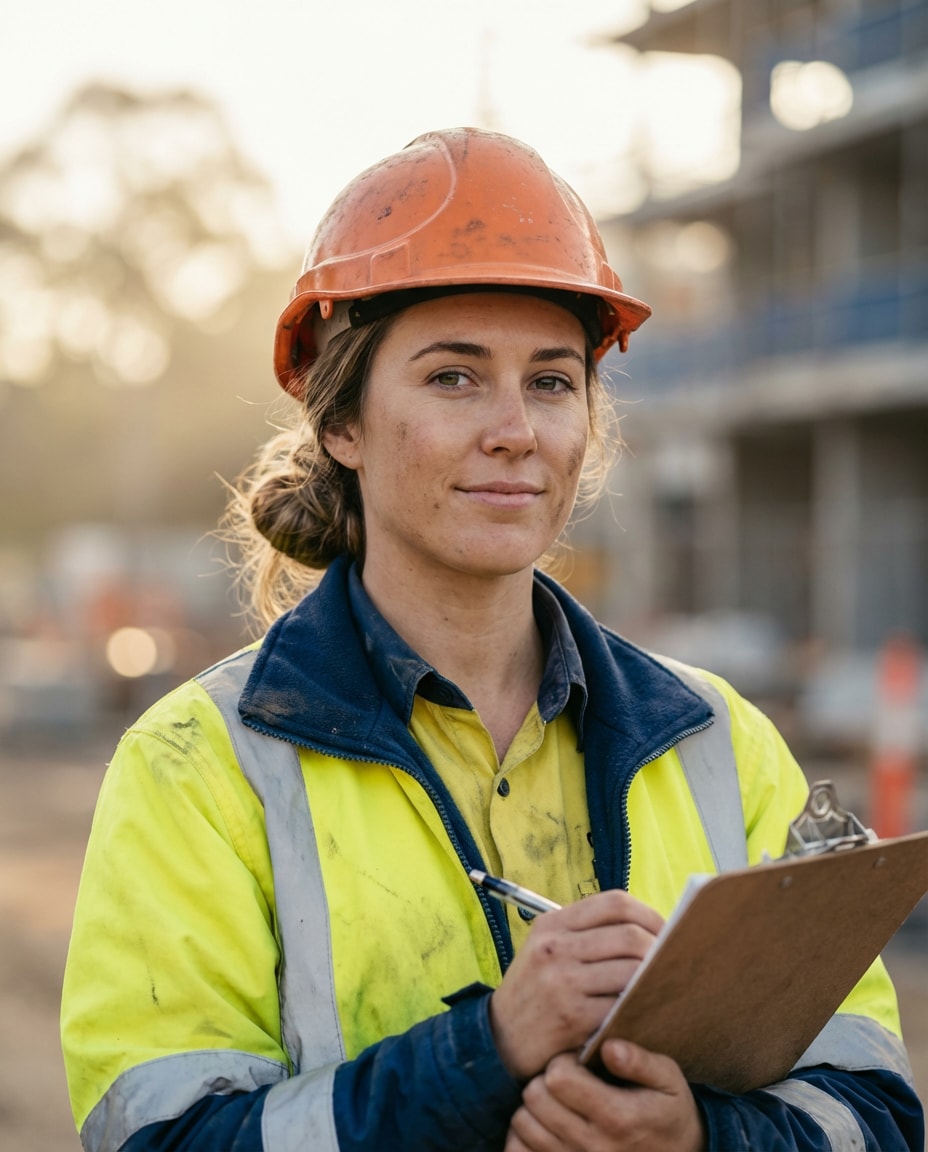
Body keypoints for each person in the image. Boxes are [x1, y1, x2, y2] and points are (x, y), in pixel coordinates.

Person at [60, 127, 923, 1152]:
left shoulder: (717, 744)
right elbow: (159, 1141)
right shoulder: (200, 766)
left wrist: (699, 1137)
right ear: (342, 423)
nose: (514, 428)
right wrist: (487, 1048)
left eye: (552, 382)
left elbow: (872, 1110)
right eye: (454, 378)